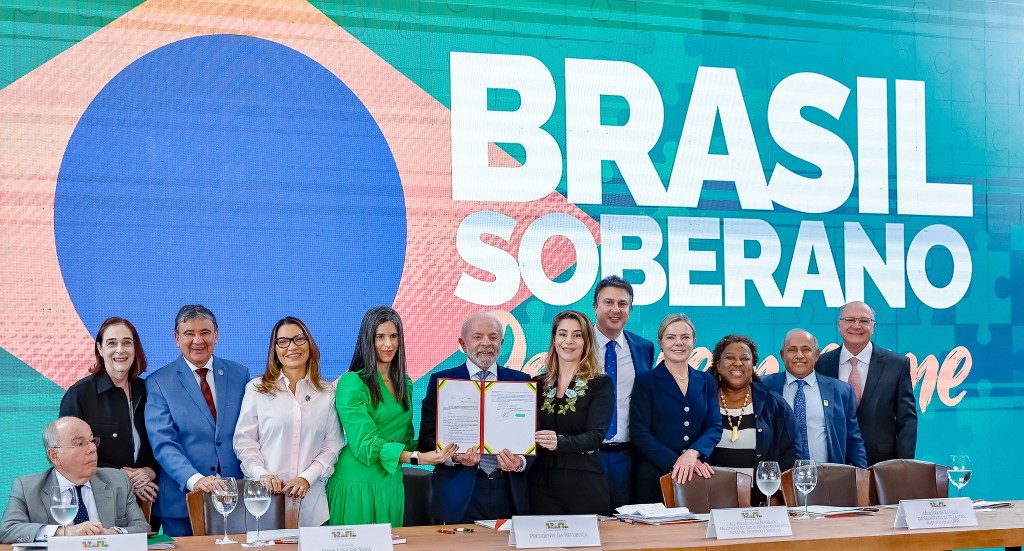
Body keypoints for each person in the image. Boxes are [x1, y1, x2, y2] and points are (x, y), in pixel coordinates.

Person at [327, 306, 456, 526]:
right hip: (357, 481)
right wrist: (418, 458)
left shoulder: (405, 383)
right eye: (380, 337)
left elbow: (404, 440)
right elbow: (365, 445)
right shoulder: (352, 382)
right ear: (368, 340)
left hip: (391, 481)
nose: (388, 344)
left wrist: (445, 446)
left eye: (393, 336)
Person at [417, 313, 532, 524]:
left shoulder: (522, 382)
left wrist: (520, 463)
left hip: (509, 491)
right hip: (459, 495)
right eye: (477, 337)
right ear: (463, 343)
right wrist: (454, 457)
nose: (486, 343)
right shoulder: (442, 381)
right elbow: (426, 440)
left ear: (501, 343)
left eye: (493, 337)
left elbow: (534, 439)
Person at [145, 305, 248, 536]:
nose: (198, 340)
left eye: (205, 332)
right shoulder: (158, 382)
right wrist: (195, 479)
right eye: (189, 333)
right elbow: (163, 443)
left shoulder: (240, 374)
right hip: (182, 502)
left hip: (235, 497)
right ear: (177, 338)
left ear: (216, 335)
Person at [233, 317, 344, 526]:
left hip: (311, 506)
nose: (292, 347)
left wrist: (307, 478)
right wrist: (262, 475)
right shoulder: (257, 389)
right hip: (263, 504)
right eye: (283, 341)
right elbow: (244, 443)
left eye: (299, 339)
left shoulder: (327, 392)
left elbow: (333, 445)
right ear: (274, 349)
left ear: (309, 344)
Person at [59, 317, 160, 509]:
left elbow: (166, 442)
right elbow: (69, 455)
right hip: (98, 503)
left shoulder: (150, 391)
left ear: (135, 348)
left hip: (148, 501)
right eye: (112, 343)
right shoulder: (79, 395)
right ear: (100, 348)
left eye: (127, 343)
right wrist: (121, 476)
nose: (120, 350)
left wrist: (150, 471)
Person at [0, 417, 149, 543]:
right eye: (79, 443)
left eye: (92, 440)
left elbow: (142, 527)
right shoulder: (27, 488)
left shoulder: (118, 480)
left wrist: (114, 533)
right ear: (54, 455)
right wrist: (63, 532)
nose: (92, 449)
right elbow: (7, 530)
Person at [630, 314, 721, 503]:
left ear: (694, 341)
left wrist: (693, 454)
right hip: (655, 476)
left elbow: (714, 426)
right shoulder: (645, 381)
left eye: (685, 337)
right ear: (660, 343)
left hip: (698, 473)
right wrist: (679, 462)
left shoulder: (707, 381)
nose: (678, 343)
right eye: (671, 337)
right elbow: (640, 433)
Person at [531, 310, 614, 515]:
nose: (569, 341)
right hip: (541, 485)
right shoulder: (537, 383)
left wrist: (559, 442)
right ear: (554, 339)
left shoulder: (600, 383)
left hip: (585, 483)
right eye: (563, 334)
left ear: (587, 342)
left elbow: (596, 436)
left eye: (577, 335)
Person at [814, 301, 917, 466]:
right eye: (850, 320)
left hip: (881, 466)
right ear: (839, 325)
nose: (856, 326)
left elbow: (907, 421)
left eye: (864, 320)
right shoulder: (820, 364)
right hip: (831, 464)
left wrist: (902, 466)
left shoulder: (897, 365)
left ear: (873, 326)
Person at [708, 334, 798, 504]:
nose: (738, 363)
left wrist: (777, 494)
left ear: (753, 366)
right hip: (712, 501)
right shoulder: (702, 401)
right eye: (730, 358)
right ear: (718, 365)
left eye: (745, 358)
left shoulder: (773, 403)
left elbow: (793, 450)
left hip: (761, 503)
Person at [591, 275, 655, 510]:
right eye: (608, 302)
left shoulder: (644, 347)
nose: (615, 309)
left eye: (622, 304)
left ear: (630, 309)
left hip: (628, 455)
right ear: (595, 306)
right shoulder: (576, 344)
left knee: (626, 520)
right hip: (586, 455)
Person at [763, 329, 867, 467]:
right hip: (779, 476)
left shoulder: (841, 391)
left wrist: (862, 474)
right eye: (792, 350)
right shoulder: (762, 387)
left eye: (806, 350)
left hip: (828, 475)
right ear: (782, 355)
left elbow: (854, 441)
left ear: (817, 355)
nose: (799, 355)